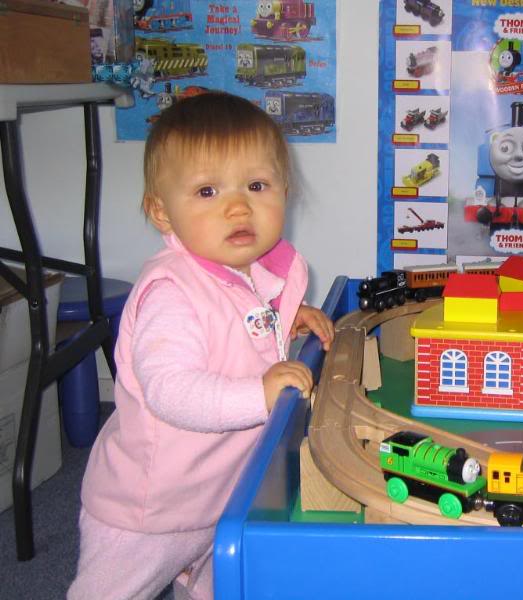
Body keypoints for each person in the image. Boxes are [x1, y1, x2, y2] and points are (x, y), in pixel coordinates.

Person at [68, 92, 334, 600]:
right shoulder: (171, 291)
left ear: (285, 191)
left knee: (229, 586)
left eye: (257, 185)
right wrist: (258, 393)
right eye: (208, 191)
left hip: (223, 492)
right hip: (151, 509)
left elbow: (236, 321)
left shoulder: (253, 275)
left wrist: (284, 320)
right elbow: (172, 390)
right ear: (162, 213)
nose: (238, 205)